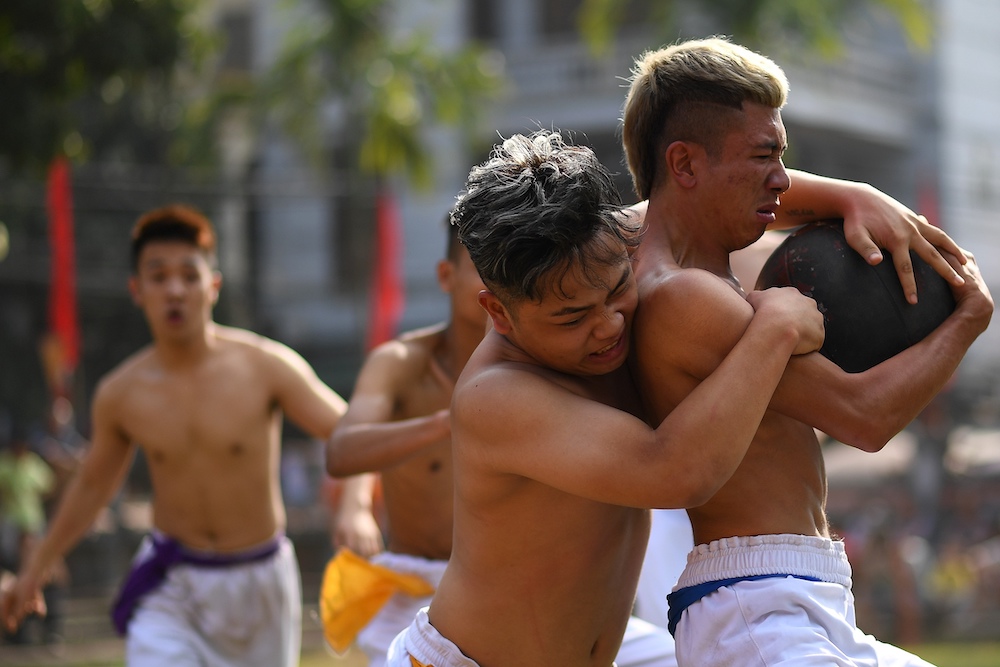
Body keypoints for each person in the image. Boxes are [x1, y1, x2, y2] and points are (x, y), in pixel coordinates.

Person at [384, 130, 827, 667]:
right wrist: (773, 332)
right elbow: (673, 473)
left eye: (618, 290)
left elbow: (715, 196)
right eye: (571, 317)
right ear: (498, 312)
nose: (608, 326)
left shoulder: (598, 242)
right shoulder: (494, 396)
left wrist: (858, 199)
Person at [620, 37, 994, 666]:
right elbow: (864, 418)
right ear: (684, 164)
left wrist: (854, 194)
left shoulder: (660, 260)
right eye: (764, 156)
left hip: (786, 593)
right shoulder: (688, 296)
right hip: (754, 608)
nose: (783, 181)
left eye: (782, 156)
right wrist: (969, 318)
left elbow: (654, 203)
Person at [0, 204, 348, 666]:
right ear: (136, 290)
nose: (175, 290)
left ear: (213, 286)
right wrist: (34, 570)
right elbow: (92, 485)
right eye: (158, 276)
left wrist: (357, 506)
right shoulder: (121, 393)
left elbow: (352, 435)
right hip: (174, 581)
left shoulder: (267, 366)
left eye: (189, 274)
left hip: (260, 580)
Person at [327, 220, 681, 666]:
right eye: (481, 267)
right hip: (428, 591)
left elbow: (683, 201)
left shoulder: (578, 341)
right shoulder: (406, 363)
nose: (606, 322)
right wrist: (358, 502)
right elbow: (344, 450)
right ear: (449, 278)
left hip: (544, 605)